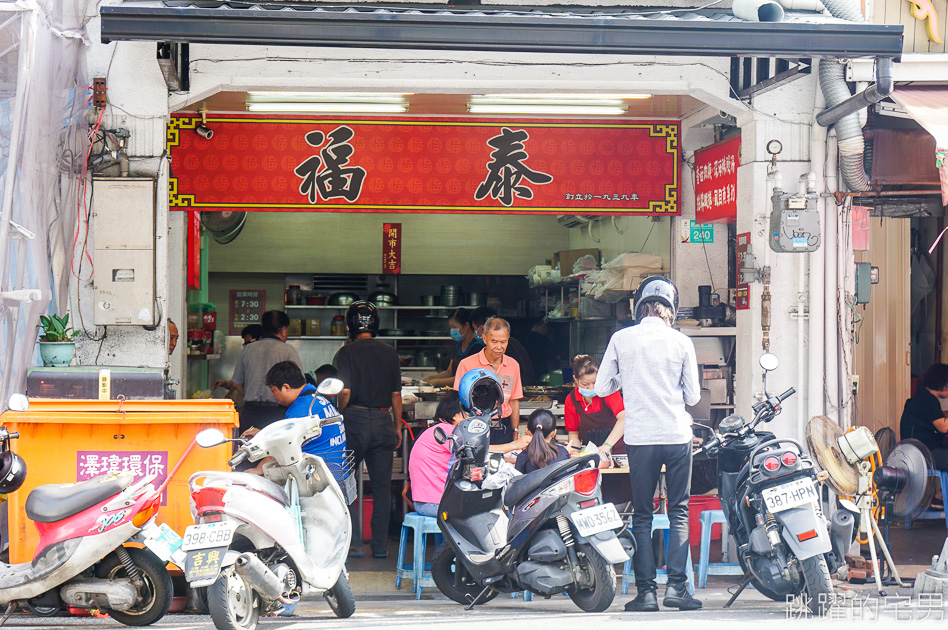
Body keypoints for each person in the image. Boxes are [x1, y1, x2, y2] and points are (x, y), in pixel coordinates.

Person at [595, 276, 701, 612]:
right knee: (679, 511)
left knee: (642, 515)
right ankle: (677, 590)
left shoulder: (621, 339)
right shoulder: (681, 342)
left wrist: (627, 379)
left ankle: (647, 594)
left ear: (639, 307)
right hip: (676, 435)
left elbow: (600, 388)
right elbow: (694, 396)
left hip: (640, 438)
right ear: (671, 311)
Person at [335, 301, 402, 559]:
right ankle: (380, 547)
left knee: (345, 482)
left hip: (353, 422)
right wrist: (396, 426)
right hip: (384, 421)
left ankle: (353, 544)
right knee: (382, 488)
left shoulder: (347, 352)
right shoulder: (390, 353)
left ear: (350, 325)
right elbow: (396, 395)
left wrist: (339, 413)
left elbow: (345, 391)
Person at [408, 388, 526, 517]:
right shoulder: (449, 431)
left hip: (426, 502)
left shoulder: (435, 429)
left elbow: (480, 454)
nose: (471, 417)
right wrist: (515, 445)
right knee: (493, 509)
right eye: (467, 413)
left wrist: (515, 459)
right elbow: (479, 449)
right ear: (454, 415)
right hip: (435, 504)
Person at [244, 361, 347, 479]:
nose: (273, 395)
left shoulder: (302, 408)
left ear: (286, 387)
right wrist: (262, 434)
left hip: (320, 479)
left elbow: (282, 446)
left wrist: (257, 470)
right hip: (336, 473)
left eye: (273, 390)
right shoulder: (314, 397)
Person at [213, 310, 302, 434]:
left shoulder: (247, 350)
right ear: (283, 329)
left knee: (248, 451)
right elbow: (299, 385)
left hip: (251, 413)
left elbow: (236, 383)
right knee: (276, 452)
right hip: (278, 415)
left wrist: (251, 396)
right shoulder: (288, 350)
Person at [454, 317, 523, 445]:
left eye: (503, 342)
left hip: (503, 427)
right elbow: (458, 401)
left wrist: (515, 431)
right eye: (494, 341)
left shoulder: (513, 365)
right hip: (474, 426)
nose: (499, 347)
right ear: (485, 339)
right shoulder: (467, 364)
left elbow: (514, 401)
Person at [566, 354, 626, 457]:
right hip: (591, 455)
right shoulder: (571, 400)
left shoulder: (608, 392)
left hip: (618, 452)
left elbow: (624, 418)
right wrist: (575, 451)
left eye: (595, 382)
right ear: (575, 379)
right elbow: (573, 433)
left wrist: (607, 446)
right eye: (585, 384)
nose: (591, 387)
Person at [900, 363, 948, 472]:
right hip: (924, 452)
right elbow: (943, 427)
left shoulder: (923, 396)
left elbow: (938, 416)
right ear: (943, 384)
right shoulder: (928, 400)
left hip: (915, 450)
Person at [471, 306, 535, 386]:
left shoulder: (504, 353)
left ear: (481, 329)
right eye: (494, 341)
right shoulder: (514, 342)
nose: (499, 347)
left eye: (475, 329)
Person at [424, 308, 484, 387]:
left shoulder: (477, 347)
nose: (452, 331)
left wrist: (436, 382)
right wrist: (432, 377)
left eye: (454, 327)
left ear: (466, 326)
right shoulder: (458, 345)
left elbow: (465, 378)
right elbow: (449, 372)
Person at [515, 409, 569, 474]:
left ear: (527, 431)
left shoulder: (522, 457)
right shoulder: (563, 453)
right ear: (554, 433)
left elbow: (517, 481)